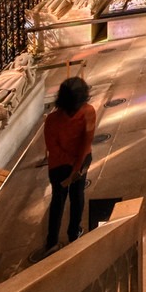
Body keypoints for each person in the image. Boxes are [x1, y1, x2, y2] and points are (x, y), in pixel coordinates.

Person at [42, 76, 96, 252]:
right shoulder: (88, 112)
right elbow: (86, 143)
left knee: (58, 200)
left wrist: (71, 164)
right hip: (79, 162)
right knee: (77, 196)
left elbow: (53, 148)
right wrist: (76, 166)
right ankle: (74, 233)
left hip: (58, 166)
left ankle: (52, 241)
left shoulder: (52, 120)